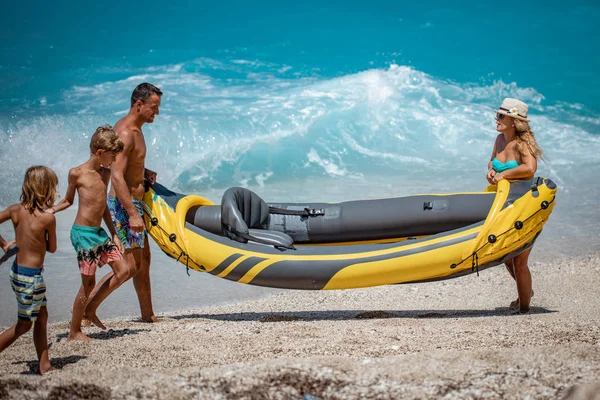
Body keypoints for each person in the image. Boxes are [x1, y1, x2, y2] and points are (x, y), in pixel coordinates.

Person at [89, 83, 162, 322]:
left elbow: (127, 166)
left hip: (134, 204)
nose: (157, 113)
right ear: (138, 104)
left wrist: (144, 171)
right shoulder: (125, 133)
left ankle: (147, 315)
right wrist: (132, 214)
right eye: (153, 107)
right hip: (124, 205)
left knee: (144, 262)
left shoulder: (137, 130)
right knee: (128, 268)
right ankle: (86, 310)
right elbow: (117, 175)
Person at [50, 125, 131, 340]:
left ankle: (90, 309)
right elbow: (67, 200)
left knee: (123, 270)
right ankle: (74, 331)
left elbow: (103, 206)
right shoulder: (77, 174)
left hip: (99, 232)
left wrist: (114, 233)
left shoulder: (104, 174)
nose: (114, 161)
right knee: (88, 283)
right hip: (82, 234)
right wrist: (51, 210)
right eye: (112, 156)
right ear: (100, 153)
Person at [485, 98, 544, 314]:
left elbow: (530, 169)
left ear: (513, 120)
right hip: (504, 206)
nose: (496, 119)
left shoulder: (522, 144)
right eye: (497, 115)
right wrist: (491, 172)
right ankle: (525, 293)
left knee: (519, 261)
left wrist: (505, 174)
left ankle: (524, 309)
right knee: (506, 258)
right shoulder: (499, 140)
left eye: (501, 116)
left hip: (525, 207)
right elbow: (492, 163)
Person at [0, 166, 59, 374]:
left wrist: (5, 244)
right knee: (23, 326)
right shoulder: (47, 218)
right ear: (46, 190)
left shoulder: (15, 209)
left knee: (42, 316)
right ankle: (43, 366)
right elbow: (52, 248)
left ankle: (44, 365)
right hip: (32, 278)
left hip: (17, 272)